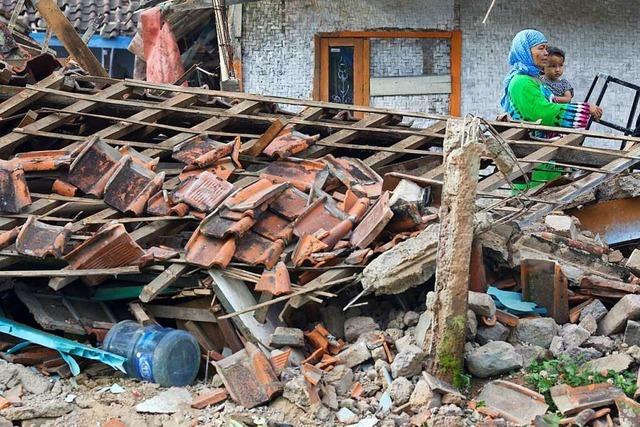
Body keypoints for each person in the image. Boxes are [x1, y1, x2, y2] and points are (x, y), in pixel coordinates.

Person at [500, 29, 602, 129]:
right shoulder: (521, 82)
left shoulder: (535, 79)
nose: (546, 53)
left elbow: (552, 103)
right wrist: (585, 110)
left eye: (546, 49)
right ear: (525, 51)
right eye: (541, 48)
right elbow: (542, 112)